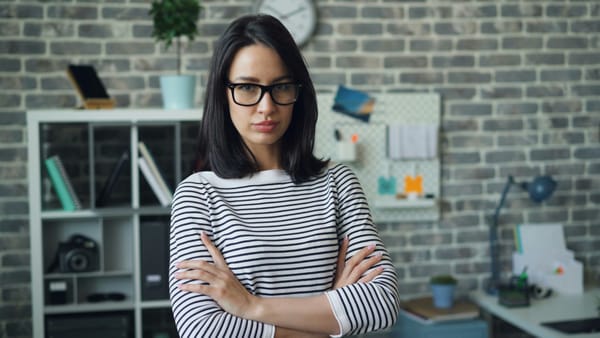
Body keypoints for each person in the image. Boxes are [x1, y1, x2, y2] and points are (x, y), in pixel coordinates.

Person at [169, 14, 400, 338]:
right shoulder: (199, 194)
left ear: (298, 93)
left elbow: (381, 304)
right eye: (248, 87)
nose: (266, 107)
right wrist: (329, 317)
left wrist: (251, 306)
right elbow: (202, 328)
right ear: (223, 94)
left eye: (281, 87)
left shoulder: (338, 183)